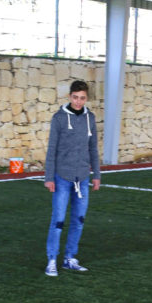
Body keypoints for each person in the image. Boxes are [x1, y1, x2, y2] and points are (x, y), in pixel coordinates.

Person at [44, 80, 101, 277]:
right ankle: (52, 259)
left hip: (83, 178)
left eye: (82, 98)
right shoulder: (59, 118)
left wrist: (97, 176)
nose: (78, 101)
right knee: (58, 220)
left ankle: (70, 258)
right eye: (75, 97)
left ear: (86, 98)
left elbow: (93, 147)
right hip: (61, 177)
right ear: (69, 97)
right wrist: (48, 177)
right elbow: (52, 149)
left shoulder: (90, 118)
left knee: (79, 219)